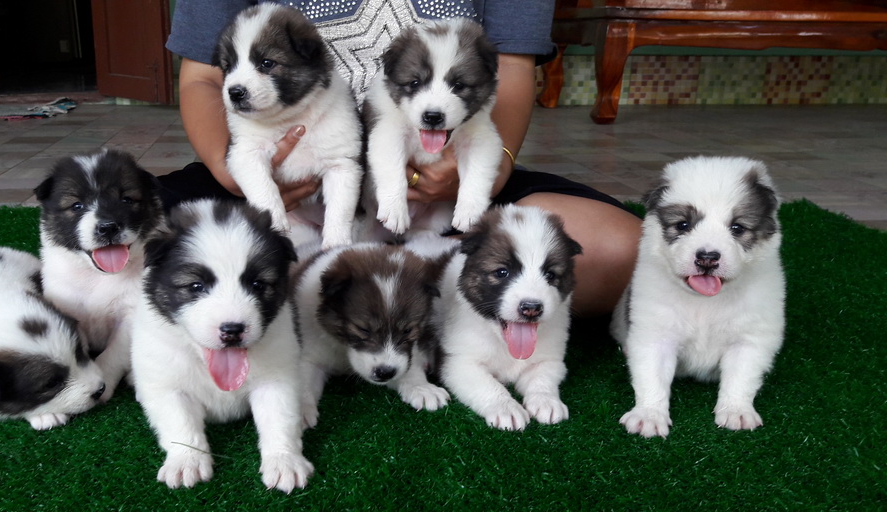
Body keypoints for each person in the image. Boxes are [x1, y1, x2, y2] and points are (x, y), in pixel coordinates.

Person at [159, 0, 641, 317]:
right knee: (136, 245)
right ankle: (418, 286)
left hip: (450, 166)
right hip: (270, 177)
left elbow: (510, 66)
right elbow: (201, 77)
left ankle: (374, 282)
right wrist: (232, 171)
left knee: (621, 250)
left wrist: (492, 170)